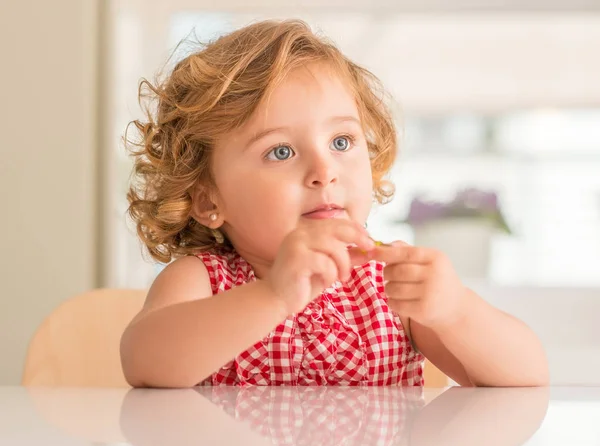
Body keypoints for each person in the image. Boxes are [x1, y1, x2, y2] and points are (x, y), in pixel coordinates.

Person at [120, 19, 549, 388]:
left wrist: (455, 310)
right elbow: (144, 362)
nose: (324, 171)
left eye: (341, 141)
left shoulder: (386, 286)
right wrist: (273, 296)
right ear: (207, 199)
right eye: (281, 152)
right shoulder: (201, 281)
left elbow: (526, 375)